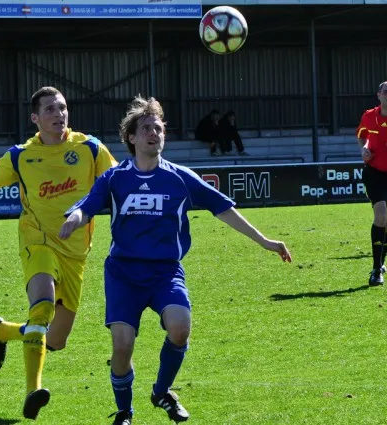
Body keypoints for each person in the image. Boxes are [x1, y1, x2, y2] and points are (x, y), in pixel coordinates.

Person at [59, 96, 292, 425]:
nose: (153, 133)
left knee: (180, 328)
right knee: (122, 346)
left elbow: (223, 209)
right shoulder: (115, 177)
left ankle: (161, 392)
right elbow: (88, 205)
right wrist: (74, 219)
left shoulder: (180, 177)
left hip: (165, 272)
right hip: (124, 274)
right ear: (131, 138)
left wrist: (265, 241)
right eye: (146, 128)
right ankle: (124, 411)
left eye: (158, 128)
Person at [0, 86, 116, 420]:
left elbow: (117, 183)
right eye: (50, 110)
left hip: (76, 253)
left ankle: (2, 331)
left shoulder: (90, 148)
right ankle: (33, 391)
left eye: (62, 108)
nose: (59, 114)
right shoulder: (20, 155)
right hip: (38, 240)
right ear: (35, 118)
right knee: (42, 307)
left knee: (55, 340)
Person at [357, 80, 387, 286]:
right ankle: (376, 269)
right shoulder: (369, 116)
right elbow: (362, 136)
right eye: (386, 91)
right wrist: (364, 149)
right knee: (381, 215)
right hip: (375, 173)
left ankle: (381, 262)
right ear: (379, 95)